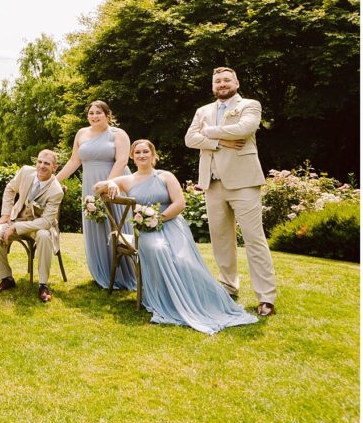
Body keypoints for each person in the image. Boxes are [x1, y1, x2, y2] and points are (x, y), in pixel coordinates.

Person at [95, 140, 258, 334]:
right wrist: (112, 182)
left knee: (183, 260)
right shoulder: (127, 180)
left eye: (146, 151)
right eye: (137, 152)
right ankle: (167, 299)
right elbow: (97, 188)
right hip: (145, 231)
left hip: (171, 224)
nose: (141, 155)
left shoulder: (165, 176)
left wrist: (158, 218)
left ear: (153, 155)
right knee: (158, 249)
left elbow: (180, 203)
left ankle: (201, 299)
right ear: (132, 156)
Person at [184, 66, 277, 317]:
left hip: (243, 182)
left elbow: (244, 129)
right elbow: (189, 139)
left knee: (254, 239)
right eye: (218, 81)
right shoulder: (203, 110)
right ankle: (228, 285)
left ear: (236, 82)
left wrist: (208, 132)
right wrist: (219, 142)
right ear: (213, 86)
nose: (222, 84)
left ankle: (266, 297)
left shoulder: (250, 104)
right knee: (221, 240)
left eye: (226, 80)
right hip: (212, 183)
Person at [56, 100, 136, 290]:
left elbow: (122, 160)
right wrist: (53, 181)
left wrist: (107, 184)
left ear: (108, 114)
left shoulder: (118, 134)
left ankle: (126, 273)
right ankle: (103, 272)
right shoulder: (81, 134)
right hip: (90, 186)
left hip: (113, 183)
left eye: (98, 112)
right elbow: (74, 161)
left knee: (116, 223)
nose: (94, 116)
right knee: (96, 226)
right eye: (91, 113)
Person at [0, 150, 64, 303]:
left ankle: (43, 285)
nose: (41, 166)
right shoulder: (25, 172)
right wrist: (5, 215)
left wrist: (16, 228)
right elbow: (9, 189)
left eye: (47, 164)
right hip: (16, 219)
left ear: (54, 167)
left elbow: (46, 222)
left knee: (43, 236)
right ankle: (6, 278)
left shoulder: (56, 190)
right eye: (40, 162)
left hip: (40, 226)